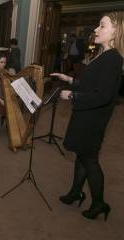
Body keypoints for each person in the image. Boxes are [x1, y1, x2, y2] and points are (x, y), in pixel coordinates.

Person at [51, 11, 124, 221]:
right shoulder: (103, 54)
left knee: (90, 160)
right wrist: (69, 79)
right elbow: (92, 84)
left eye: (102, 26)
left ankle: (100, 203)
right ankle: (76, 193)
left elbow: (102, 95)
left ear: (115, 31)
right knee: (82, 156)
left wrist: (72, 95)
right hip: (86, 115)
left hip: (93, 120)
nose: (96, 29)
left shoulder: (113, 59)